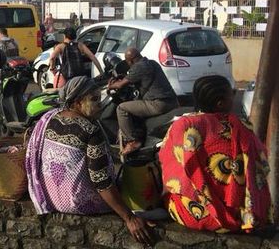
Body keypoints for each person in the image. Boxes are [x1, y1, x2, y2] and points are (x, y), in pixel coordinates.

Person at [26, 76, 152, 245]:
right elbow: (101, 181)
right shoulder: (90, 131)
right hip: (79, 204)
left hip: (51, 199)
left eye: (99, 99)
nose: (99, 105)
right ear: (78, 102)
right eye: (94, 100)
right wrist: (129, 217)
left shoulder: (50, 119)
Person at [159, 75, 272, 232]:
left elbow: (168, 165)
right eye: (231, 93)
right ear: (221, 103)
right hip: (239, 215)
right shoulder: (242, 128)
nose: (233, 96)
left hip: (193, 214)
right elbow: (260, 168)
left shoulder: (183, 125)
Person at [108, 47, 178, 155]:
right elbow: (135, 79)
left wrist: (110, 85)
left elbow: (120, 85)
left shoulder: (138, 67)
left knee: (121, 108)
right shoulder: (152, 63)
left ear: (130, 61)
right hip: (172, 101)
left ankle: (132, 141)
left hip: (158, 104)